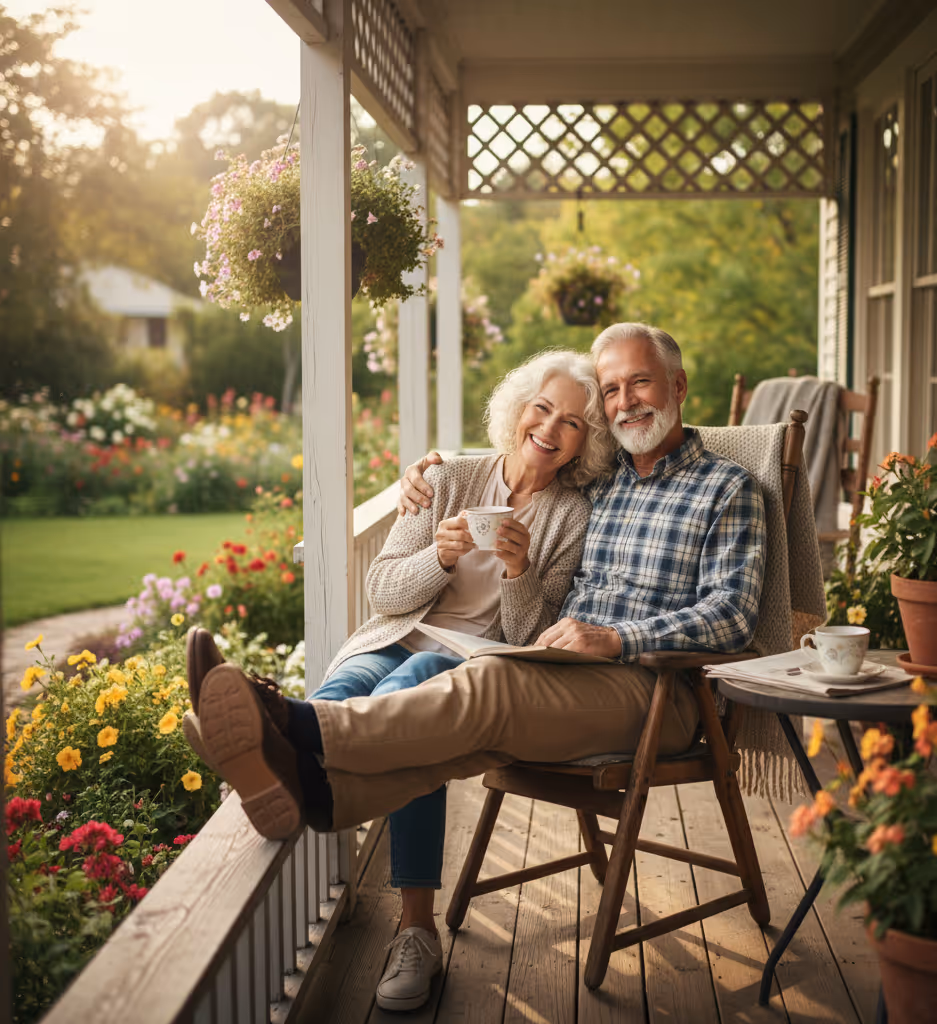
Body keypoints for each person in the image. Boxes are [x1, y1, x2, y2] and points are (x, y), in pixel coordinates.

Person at [190, 322, 767, 1013]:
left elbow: (732, 616)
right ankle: (315, 794)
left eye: (638, 383)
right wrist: (426, 486)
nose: (623, 402)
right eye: (611, 389)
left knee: (471, 684)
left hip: (654, 687)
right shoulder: (607, 484)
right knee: (444, 722)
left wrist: (615, 639)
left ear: (676, 387)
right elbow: (502, 476)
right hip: (560, 672)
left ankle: (289, 726)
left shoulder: (725, 488)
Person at [184, 348, 613, 1012]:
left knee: (411, 697)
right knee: (351, 686)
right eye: (542, 408)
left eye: (574, 424)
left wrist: (519, 572)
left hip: (473, 661)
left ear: (587, 442)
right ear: (518, 409)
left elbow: (530, 639)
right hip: (391, 636)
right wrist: (437, 559)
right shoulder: (446, 478)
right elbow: (383, 590)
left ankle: (413, 926)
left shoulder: (571, 517)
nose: (550, 429)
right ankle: (278, 761)